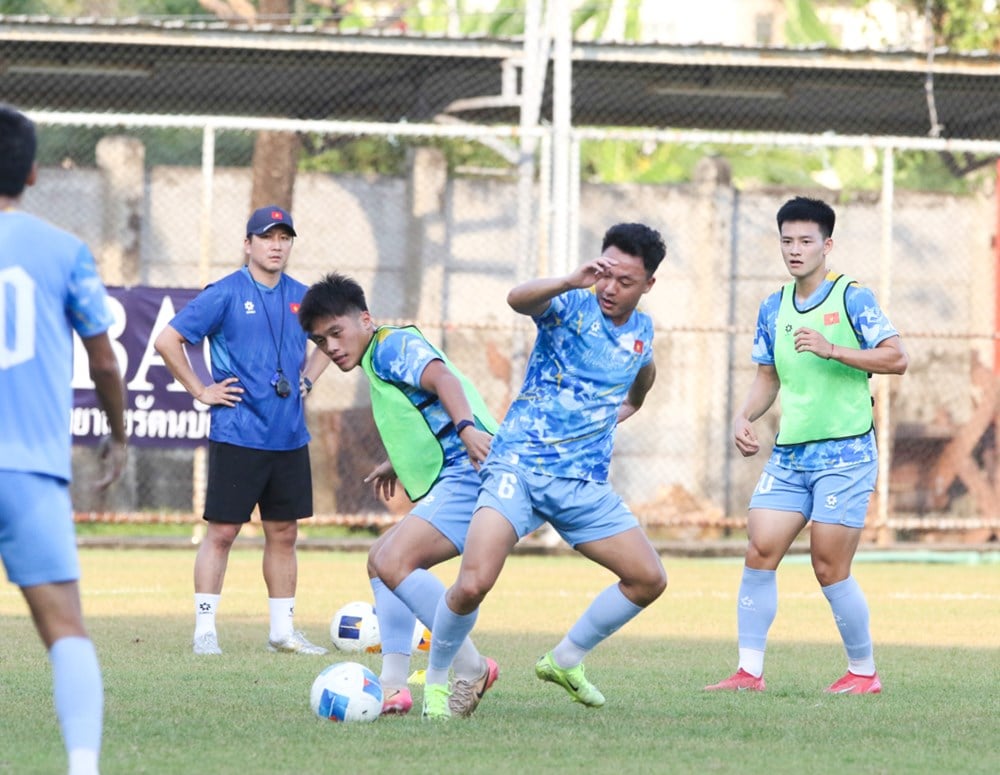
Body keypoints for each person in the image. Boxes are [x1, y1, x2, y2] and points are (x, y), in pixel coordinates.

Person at [419, 222, 669, 720]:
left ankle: (565, 659)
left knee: (648, 578)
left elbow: (643, 368)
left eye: (625, 281)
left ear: (647, 285)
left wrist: (632, 404)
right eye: (606, 274)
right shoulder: (572, 303)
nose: (610, 288)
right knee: (472, 583)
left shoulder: (642, 331)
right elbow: (517, 299)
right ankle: (439, 684)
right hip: (518, 467)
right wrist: (568, 280)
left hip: (581, 485)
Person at [705, 196, 907, 695]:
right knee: (760, 549)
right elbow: (766, 377)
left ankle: (864, 674)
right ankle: (749, 673)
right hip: (791, 454)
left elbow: (897, 358)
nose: (795, 250)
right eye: (787, 241)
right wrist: (743, 416)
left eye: (805, 241)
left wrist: (833, 348)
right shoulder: (773, 307)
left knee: (828, 565)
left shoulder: (851, 297)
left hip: (846, 453)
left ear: (827, 245)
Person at [298, 273, 500, 717]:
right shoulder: (375, 360)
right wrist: (400, 461)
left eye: (337, 332)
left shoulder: (390, 346)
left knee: (395, 562)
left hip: (472, 473)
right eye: (321, 340)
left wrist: (467, 430)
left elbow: (444, 380)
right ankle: (392, 687)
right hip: (457, 473)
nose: (331, 347)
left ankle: (471, 666)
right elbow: (422, 411)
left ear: (364, 319)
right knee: (379, 561)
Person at [0, 104, 127, 775]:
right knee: (65, 630)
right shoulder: (63, 250)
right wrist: (119, 432)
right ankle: (82, 766)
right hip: (28, 472)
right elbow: (105, 360)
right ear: (33, 170)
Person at [154, 205, 330, 656]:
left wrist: (308, 378)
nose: (276, 244)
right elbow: (168, 339)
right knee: (223, 532)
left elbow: (334, 337)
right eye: (267, 237)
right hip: (238, 433)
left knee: (284, 533)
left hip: (289, 437)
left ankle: (282, 633)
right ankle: (205, 631)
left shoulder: (303, 297)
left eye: (284, 237)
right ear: (248, 244)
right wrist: (201, 389)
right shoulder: (226, 292)